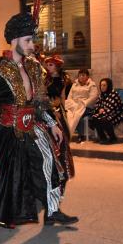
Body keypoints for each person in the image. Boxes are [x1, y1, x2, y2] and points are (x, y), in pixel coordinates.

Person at [0, 10, 78, 243]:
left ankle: (52, 210)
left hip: (33, 127)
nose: (32, 45)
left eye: (33, 40)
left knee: (51, 166)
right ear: (15, 39)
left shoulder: (35, 68)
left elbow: (41, 102)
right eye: (28, 40)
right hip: (7, 131)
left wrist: (52, 124)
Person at [44, 55, 75, 192]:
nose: (48, 67)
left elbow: (62, 97)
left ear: (57, 66)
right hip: (46, 113)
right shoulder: (45, 79)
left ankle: (62, 174)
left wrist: (63, 113)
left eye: (50, 65)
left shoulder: (64, 80)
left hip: (57, 113)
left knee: (61, 143)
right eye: (47, 65)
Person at [89, 78, 123, 144]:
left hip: (118, 113)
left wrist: (104, 110)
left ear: (108, 85)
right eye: (101, 85)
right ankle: (103, 137)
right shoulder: (101, 95)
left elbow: (114, 107)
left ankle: (112, 137)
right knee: (94, 118)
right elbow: (97, 105)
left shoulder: (114, 94)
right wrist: (99, 109)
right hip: (105, 112)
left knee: (105, 119)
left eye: (104, 85)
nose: (102, 87)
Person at [65, 68, 98, 142]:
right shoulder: (74, 85)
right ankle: (66, 133)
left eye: (83, 75)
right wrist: (72, 103)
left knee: (78, 115)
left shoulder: (92, 85)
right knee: (67, 114)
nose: (81, 77)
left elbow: (93, 97)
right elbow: (70, 96)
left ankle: (81, 135)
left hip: (86, 106)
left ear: (87, 76)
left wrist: (84, 103)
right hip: (74, 105)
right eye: (80, 75)